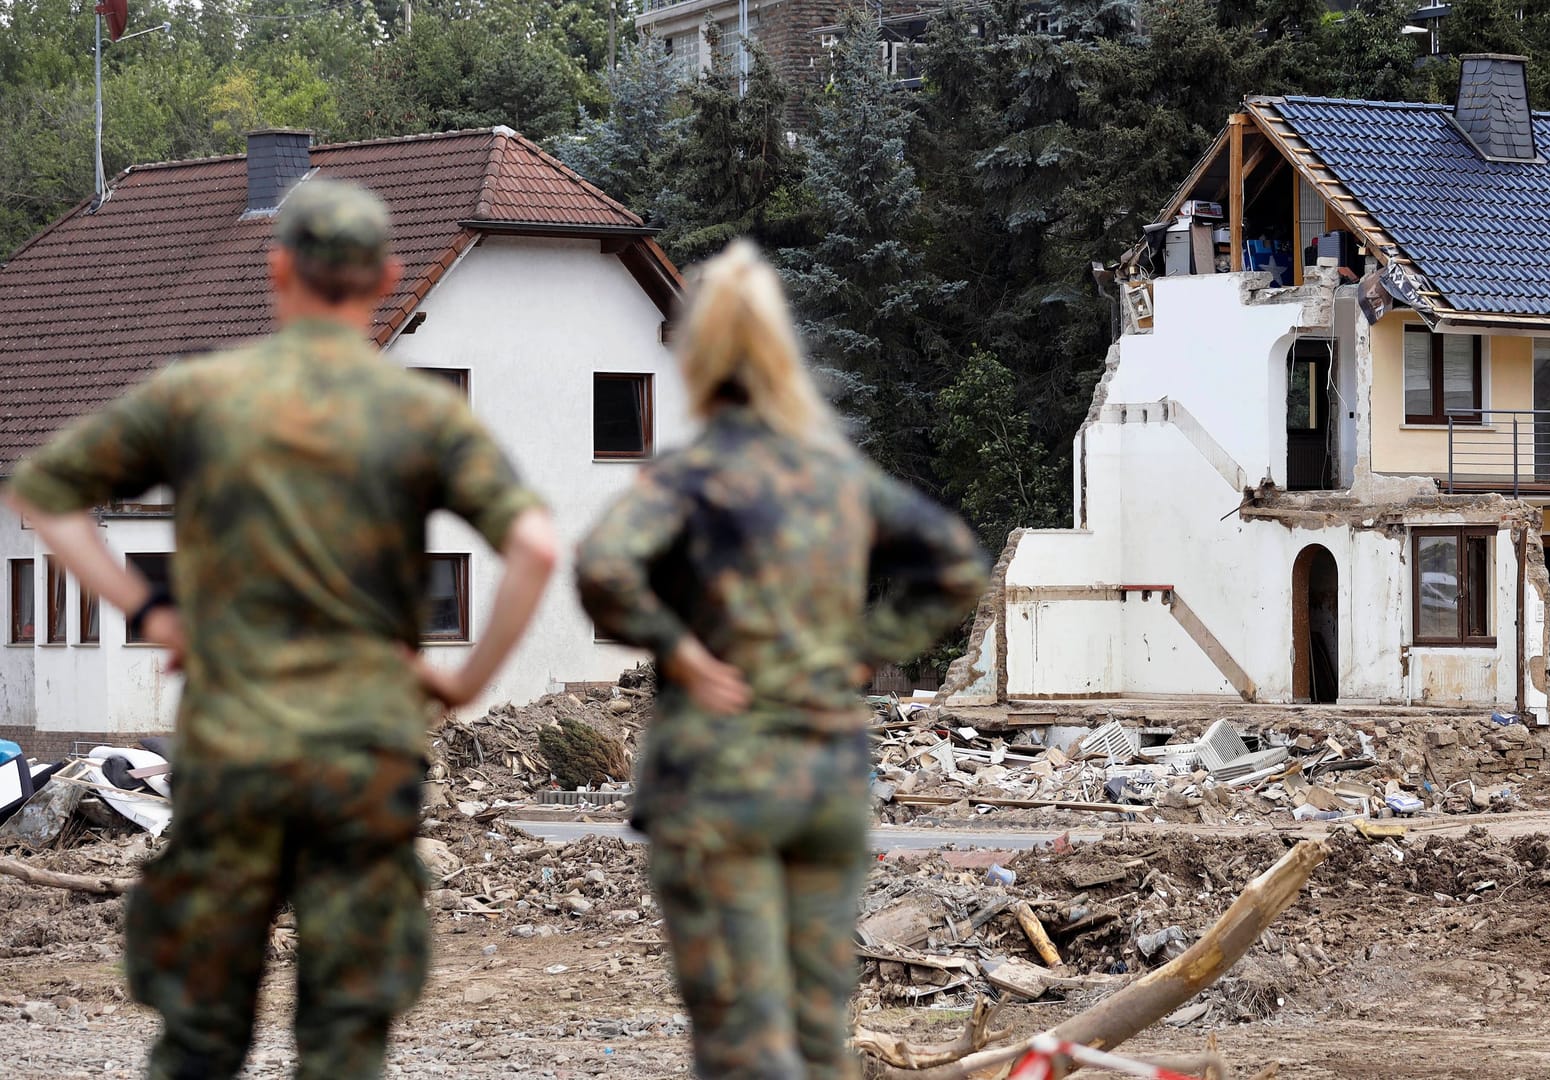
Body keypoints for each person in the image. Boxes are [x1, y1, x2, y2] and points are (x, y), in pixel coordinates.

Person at [3, 178, 557, 1079]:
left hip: (233, 750)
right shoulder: (422, 415)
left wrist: (148, 609)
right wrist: (465, 677)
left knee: (202, 1026)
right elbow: (533, 547)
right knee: (345, 1032)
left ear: (278, 270)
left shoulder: (202, 395)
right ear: (386, 278)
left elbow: (42, 494)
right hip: (364, 754)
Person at [575, 239, 987, 1080]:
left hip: (718, 779)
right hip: (825, 775)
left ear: (696, 356)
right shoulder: (835, 475)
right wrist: (858, 655)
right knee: (815, 1033)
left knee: (742, 1045)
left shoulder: (691, 478)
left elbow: (602, 568)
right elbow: (955, 566)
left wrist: (679, 649)